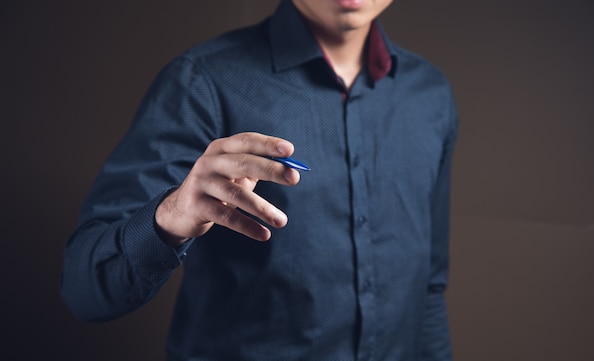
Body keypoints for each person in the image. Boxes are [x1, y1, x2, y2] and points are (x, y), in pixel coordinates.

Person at [61, 0, 459, 360]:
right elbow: (85, 293)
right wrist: (171, 216)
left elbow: (427, 290)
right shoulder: (203, 82)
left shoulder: (431, 96)